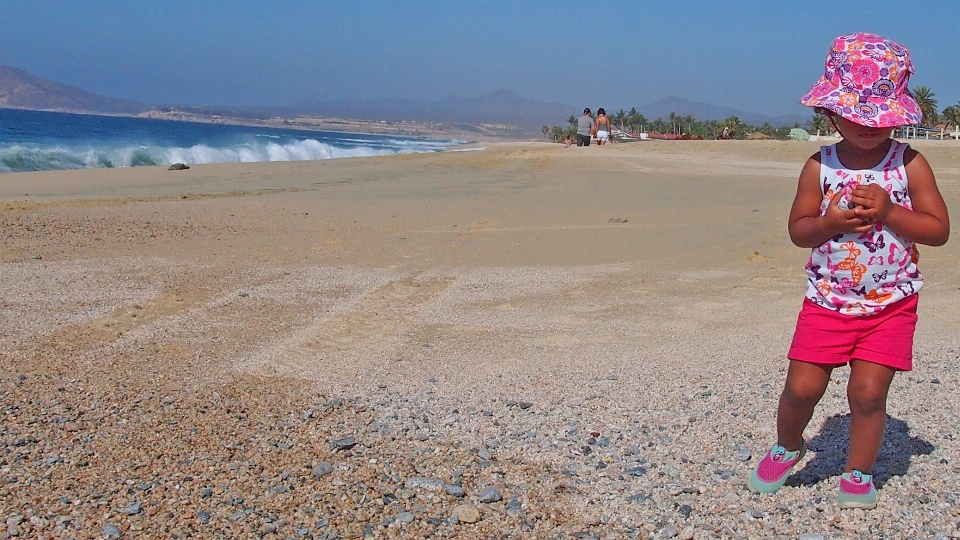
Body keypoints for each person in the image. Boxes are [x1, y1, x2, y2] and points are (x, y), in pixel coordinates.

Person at [747, 33, 949, 509]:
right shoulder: (820, 165)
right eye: (855, 114)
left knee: (867, 392)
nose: (866, 126)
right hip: (828, 300)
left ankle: (857, 472)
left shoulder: (910, 164)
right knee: (802, 387)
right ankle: (788, 444)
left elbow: (937, 230)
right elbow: (799, 231)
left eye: (878, 117)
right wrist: (831, 222)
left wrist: (891, 213)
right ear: (830, 110)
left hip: (891, 302)